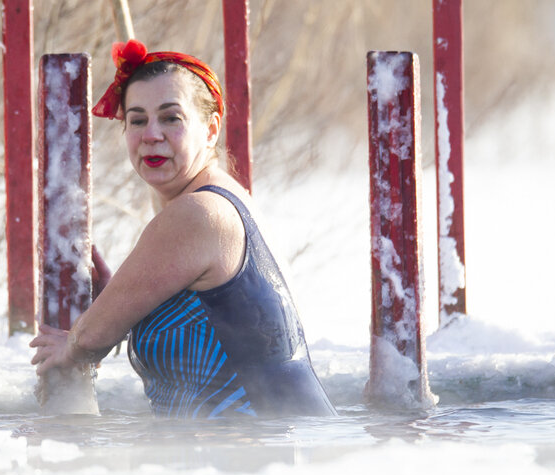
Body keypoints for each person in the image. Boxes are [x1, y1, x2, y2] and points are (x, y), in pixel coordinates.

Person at [30, 39, 335, 419]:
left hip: (254, 454)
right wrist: (117, 303)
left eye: (171, 118)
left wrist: (71, 346)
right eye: (137, 120)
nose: (151, 134)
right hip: (275, 449)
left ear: (210, 130)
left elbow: (89, 340)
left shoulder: (198, 213)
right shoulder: (228, 198)